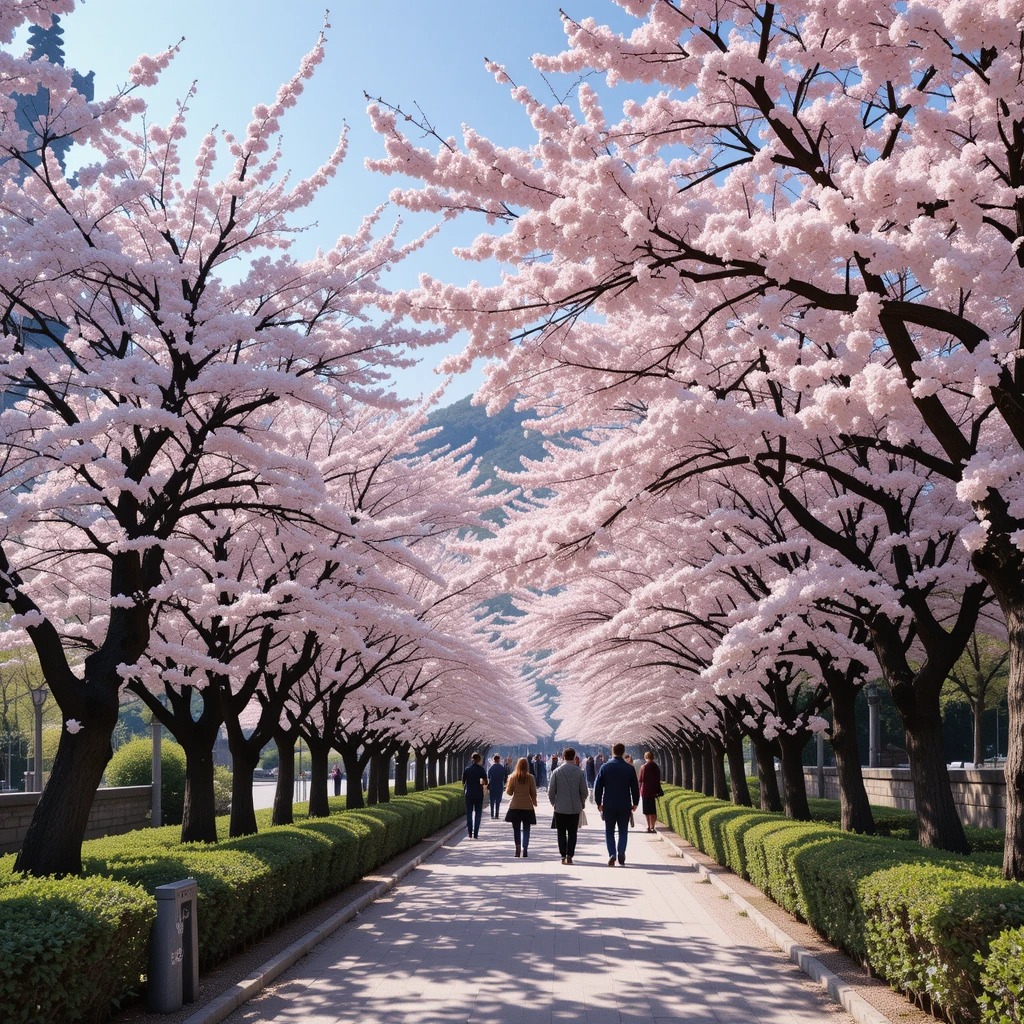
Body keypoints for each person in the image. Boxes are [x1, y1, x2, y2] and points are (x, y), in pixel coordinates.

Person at [594, 742, 640, 866]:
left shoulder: (605, 767)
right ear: (623, 752)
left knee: (609, 831)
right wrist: (635, 802)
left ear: (612, 751)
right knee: (623, 831)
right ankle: (621, 852)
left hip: (609, 803)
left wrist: (598, 802)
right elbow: (635, 787)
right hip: (624, 803)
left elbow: (598, 787)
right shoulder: (629, 768)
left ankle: (612, 854)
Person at [547, 746, 588, 865]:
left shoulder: (556, 772)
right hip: (575, 808)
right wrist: (581, 802)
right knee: (572, 832)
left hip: (560, 807)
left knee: (561, 832)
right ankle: (570, 855)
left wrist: (554, 803)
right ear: (574, 757)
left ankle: (562, 855)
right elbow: (584, 792)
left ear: (563, 757)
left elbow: (551, 791)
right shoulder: (579, 772)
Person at [504, 756, 538, 857]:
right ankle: (525, 848)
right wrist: (534, 801)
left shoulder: (513, 777)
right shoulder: (530, 777)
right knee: (526, 828)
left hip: (515, 806)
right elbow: (533, 792)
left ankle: (517, 847)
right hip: (527, 806)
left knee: (516, 829)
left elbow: (509, 792)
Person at [461, 752, 487, 839]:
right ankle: (476, 833)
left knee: (469, 813)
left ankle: (469, 832)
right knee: (478, 814)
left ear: (472, 759)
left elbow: (463, 781)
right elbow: (485, 782)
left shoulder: (467, 769)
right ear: (479, 760)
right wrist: (481, 783)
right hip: (478, 794)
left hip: (469, 794)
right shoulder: (481, 770)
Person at [638, 750, 663, 833]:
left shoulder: (643, 767)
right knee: (653, 810)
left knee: (646, 811)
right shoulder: (656, 767)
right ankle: (653, 826)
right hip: (653, 791)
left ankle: (648, 826)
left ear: (646, 757)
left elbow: (640, 779)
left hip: (645, 791)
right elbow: (658, 779)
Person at [487, 754, 508, 818]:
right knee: (498, 801)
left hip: (492, 785)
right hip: (500, 785)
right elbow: (505, 777)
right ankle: (497, 814)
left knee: (492, 800)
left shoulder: (491, 768)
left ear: (494, 760)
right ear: (499, 760)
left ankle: (492, 814)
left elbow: (488, 776)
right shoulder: (502, 768)